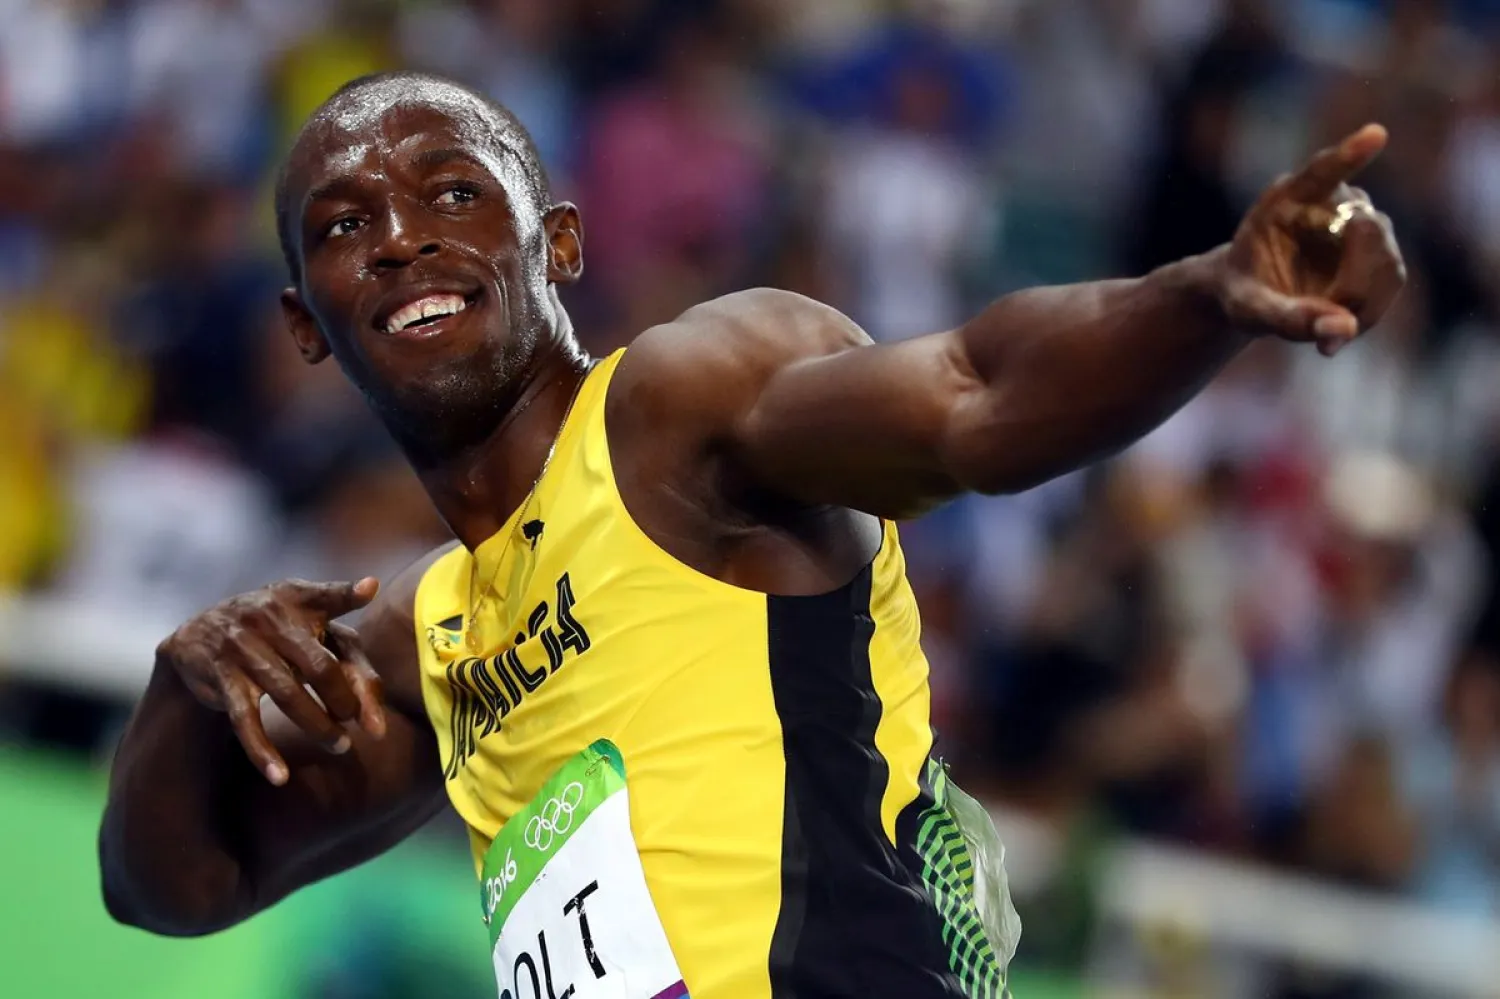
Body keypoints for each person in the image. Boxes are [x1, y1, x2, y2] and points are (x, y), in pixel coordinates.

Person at [98, 71, 1405, 999]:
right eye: (345, 226)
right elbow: (176, 888)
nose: (401, 240)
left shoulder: (680, 406)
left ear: (557, 243)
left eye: (452, 192)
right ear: (305, 322)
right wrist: (179, 680)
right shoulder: (427, 637)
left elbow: (975, 399)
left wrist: (1208, 297)